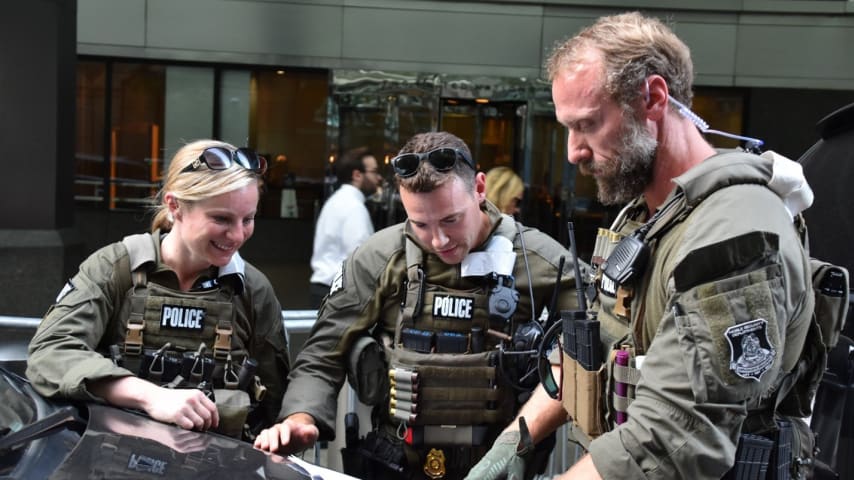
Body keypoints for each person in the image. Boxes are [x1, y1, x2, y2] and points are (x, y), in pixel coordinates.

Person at [467, 12, 817, 480]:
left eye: (588, 124)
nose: (573, 151)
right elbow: (594, 349)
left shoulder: (734, 233)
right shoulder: (644, 217)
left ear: (653, 98)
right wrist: (514, 442)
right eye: (568, 128)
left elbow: (677, 436)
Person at [254, 131, 583, 480]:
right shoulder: (379, 258)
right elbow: (323, 354)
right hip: (396, 460)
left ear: (480, 188)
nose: (438, 240)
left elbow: (592, 352)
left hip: (501, 465)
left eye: (451, 220)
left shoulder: (541, 262)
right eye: (421, 224)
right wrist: (301, 417)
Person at [27, 140, 291, 441]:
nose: (237, 235)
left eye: (248, 219)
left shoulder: (252, 290)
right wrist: (148, 396)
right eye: (221, 219)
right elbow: (50, 352)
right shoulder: (116, 268)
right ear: (174, 205)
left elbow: (278, 401)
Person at [309, 147, 382, 308]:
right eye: (374, 171)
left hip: (325, 289)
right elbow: (361, 259)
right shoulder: (354, 207)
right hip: (339, 294)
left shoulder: (337, 200)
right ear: (357, 175)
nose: (379, 177)